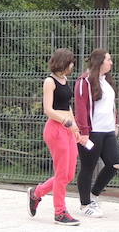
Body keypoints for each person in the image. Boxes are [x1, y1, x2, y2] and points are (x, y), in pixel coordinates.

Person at [28, 48, 87, 226]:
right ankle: (60, 212)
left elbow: (66, 105)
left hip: (68, 128)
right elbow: (48, 109)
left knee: (68, 174)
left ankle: (37, 193)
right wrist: (65, 122)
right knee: (62, 173)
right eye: (70, 62)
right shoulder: (49, 81)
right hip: (55, 129)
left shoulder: (65, 79)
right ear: (63, 62)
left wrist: (74, 125)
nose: (72, 65)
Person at [73, 48, 119, 219]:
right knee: (88, 167)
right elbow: (80, 107)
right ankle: (85, 204)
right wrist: (83, 132)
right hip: (92, 133)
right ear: (100, 61)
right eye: (109, 59)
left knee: (114, 163)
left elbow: (112, 105)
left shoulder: (106, 81)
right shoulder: (84, 81)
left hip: (107, 131)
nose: (111, 62)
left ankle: (94, 195)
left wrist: (116, 122)